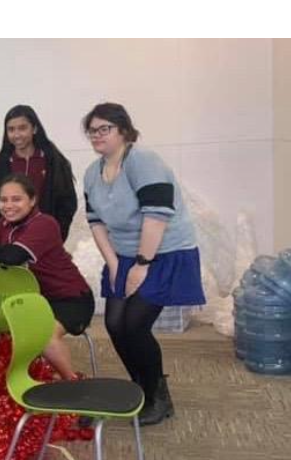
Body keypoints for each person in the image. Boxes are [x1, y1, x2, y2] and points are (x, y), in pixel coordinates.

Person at [81, 102, 204, 424]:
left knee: (135, 325)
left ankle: (158, 396)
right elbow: (96, 222)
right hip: (122, 255)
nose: (97, 135)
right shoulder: (92, 173)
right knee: (114, 325)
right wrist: (114, 265)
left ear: (123, 130)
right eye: (92, 130)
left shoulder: (143, 161)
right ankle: (140, 388)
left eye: (104, 128)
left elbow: (157, 218)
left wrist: (141, 264)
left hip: (163, 253)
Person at [0, 176, 95, 380]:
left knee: (43, 336)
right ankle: (32, 365)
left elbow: (14, 256)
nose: (8, 206)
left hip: (70, 299)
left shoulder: (45, 223)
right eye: (3, 200)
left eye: (16, 199)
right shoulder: (3, 224)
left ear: (32, 200)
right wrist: (2, 251)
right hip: (32, 299)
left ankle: (72, 383)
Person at [0, 104, 79, 240]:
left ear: (34, 128)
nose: (16, 135)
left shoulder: (55, 163)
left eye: (22, 128)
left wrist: (57, 235)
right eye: (11, 129)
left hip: (46, 239)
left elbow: (67, 203)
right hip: (8, 243)